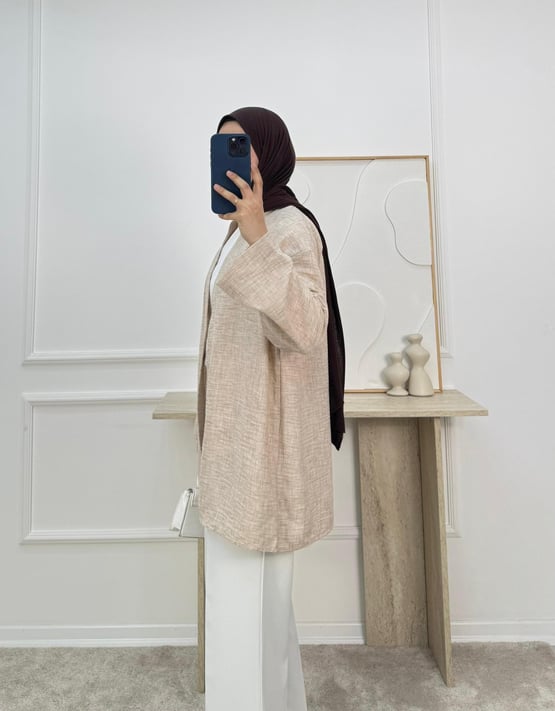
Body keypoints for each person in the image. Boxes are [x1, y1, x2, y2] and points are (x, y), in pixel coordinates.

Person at [194, 107, 345, 711]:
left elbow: (305, 329)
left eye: (242, 146)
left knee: (246, 613)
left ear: (271, 153)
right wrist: (249, 231)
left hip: (262, 451)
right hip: (237, 443)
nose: (230, 158)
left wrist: (257, 235)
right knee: (253, 612)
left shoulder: (288, 228)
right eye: (221, 146)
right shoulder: (244, 229)